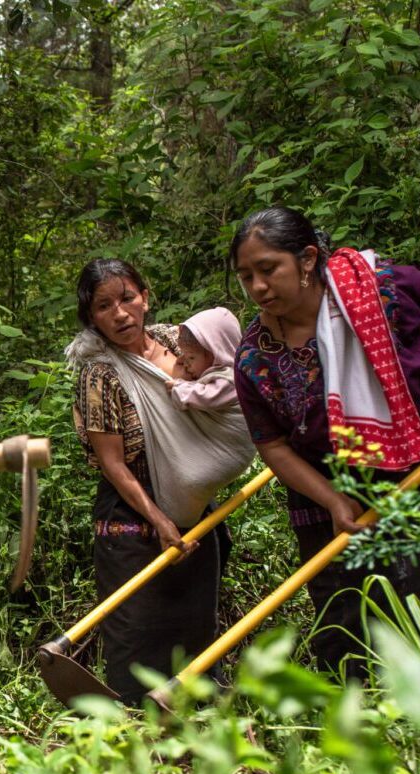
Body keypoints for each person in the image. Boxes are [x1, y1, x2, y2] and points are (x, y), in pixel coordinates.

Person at [229, 206, 420, 675]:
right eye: (247, 276)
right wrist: (333, 500)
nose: (258, 287)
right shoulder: (253, 358)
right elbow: (273, 446)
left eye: (268, 269)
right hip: (326, 504)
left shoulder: (379, 289)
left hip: (416, 477)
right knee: (346, 632)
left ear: (306, 260)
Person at [66, 260, 254, 702]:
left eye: (127, 297)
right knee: (139, 628)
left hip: (192, 506)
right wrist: (159, 519)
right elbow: (114, 464)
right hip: (133, 514)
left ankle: (200, 729)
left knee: (194, 625)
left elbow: (227, 377)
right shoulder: (99, 375)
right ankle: (137, 730)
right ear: (92, 317)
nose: (120, 313)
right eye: (104, 306)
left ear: (145, 296)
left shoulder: (178, 339)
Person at [167, 307, 244, 413]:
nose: (186, 363)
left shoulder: (230, 379)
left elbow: (207, 398)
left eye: (191, 357)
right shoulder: (216, 375)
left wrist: (180, 389)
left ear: (215, 354)